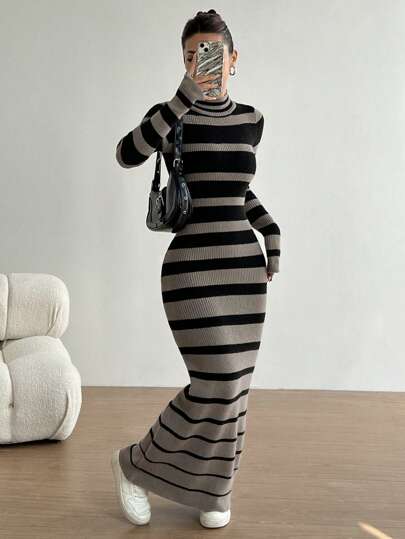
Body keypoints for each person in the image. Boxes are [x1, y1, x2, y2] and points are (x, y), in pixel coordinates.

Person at [111, 8, 281, 529]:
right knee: (218, 380)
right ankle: (133, 465)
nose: (201, 62)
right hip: (190, 269)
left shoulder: (252, 119)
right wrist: (180, 98)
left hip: (243, 268)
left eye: (210, 53)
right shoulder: (171, 115)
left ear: (233, 58)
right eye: (191, 55)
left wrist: (270, 229)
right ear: (184, 61)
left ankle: (215, 491)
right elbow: (126, 154)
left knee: (238, 388)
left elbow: (236, 191)